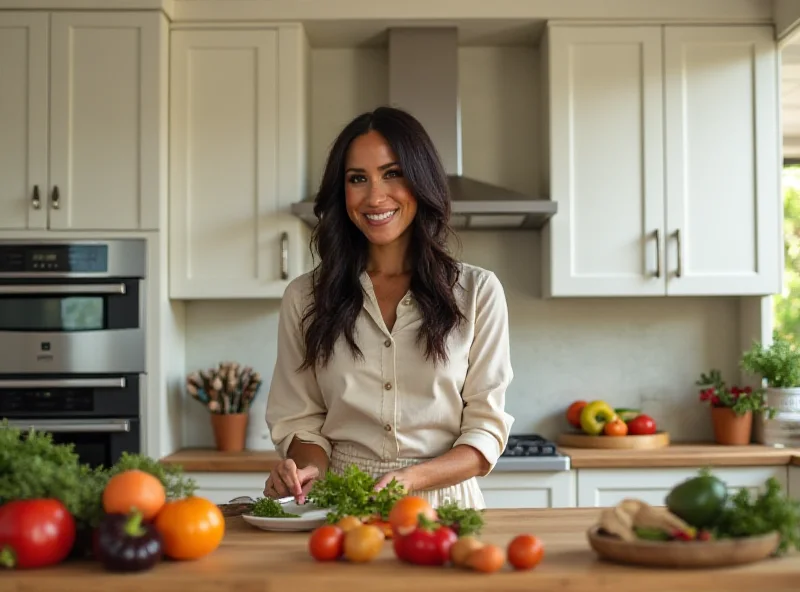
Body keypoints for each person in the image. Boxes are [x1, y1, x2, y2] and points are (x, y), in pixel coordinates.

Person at [263, 106, 514, 510]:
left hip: (444, 508)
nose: (375, 196)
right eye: (357, 179)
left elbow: (485, 430)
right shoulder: (305, 297)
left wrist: (411, 479)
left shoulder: (477, 292)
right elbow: (299, 419)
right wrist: (306, 468)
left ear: (420, 180)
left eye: (392, 173)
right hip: (341, 505)